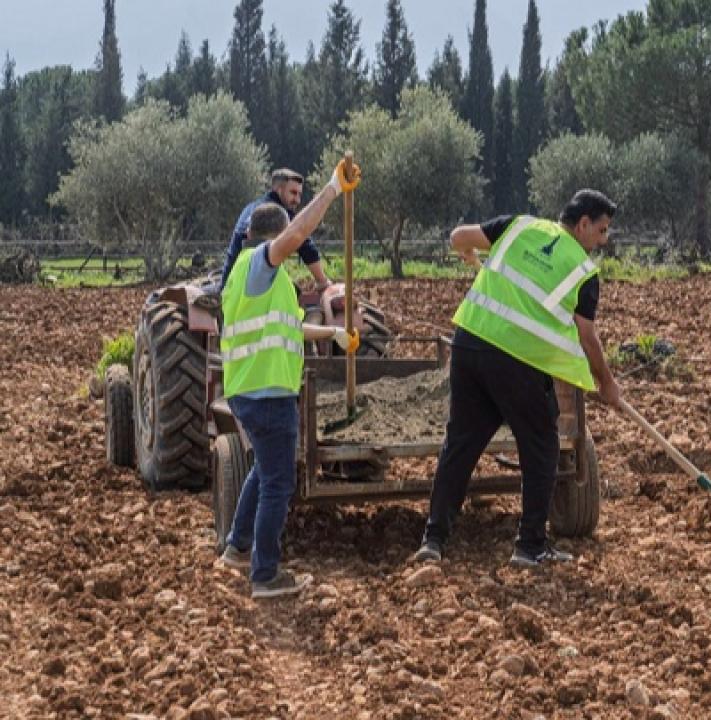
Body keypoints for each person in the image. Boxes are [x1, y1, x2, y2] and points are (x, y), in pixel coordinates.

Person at [413, 189, 623, 568]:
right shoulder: (583, 271)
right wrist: (606, 383)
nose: (603, 241)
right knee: (542, 444)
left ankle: (434, 538)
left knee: (460, 443)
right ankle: (530, 546)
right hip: (517, 360)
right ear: (583, 224)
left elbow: (458, 238)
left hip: (469, 345)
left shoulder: (518, 226)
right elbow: (587, 335)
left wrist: (469, 256)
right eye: (602, 231)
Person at [217, 159, 362, 598]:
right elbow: (297, 235)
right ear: (272, 239)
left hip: (253, 391)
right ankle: (265, 576)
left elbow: (290, 326)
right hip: (267, 394)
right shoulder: (260, 265)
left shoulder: (260, 279)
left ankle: (237, 549)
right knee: (280, 482)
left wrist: (334, 333)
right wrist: (333, 189)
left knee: (264, 470)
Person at [218, 168, 331, 291]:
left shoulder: (252, 207)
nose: (297, 200)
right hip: (252, 291)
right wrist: (322, 281)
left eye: (299, 194)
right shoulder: (278, 213)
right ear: (279, 190)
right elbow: (304, 243)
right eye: (293, 193)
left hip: (230, 286)